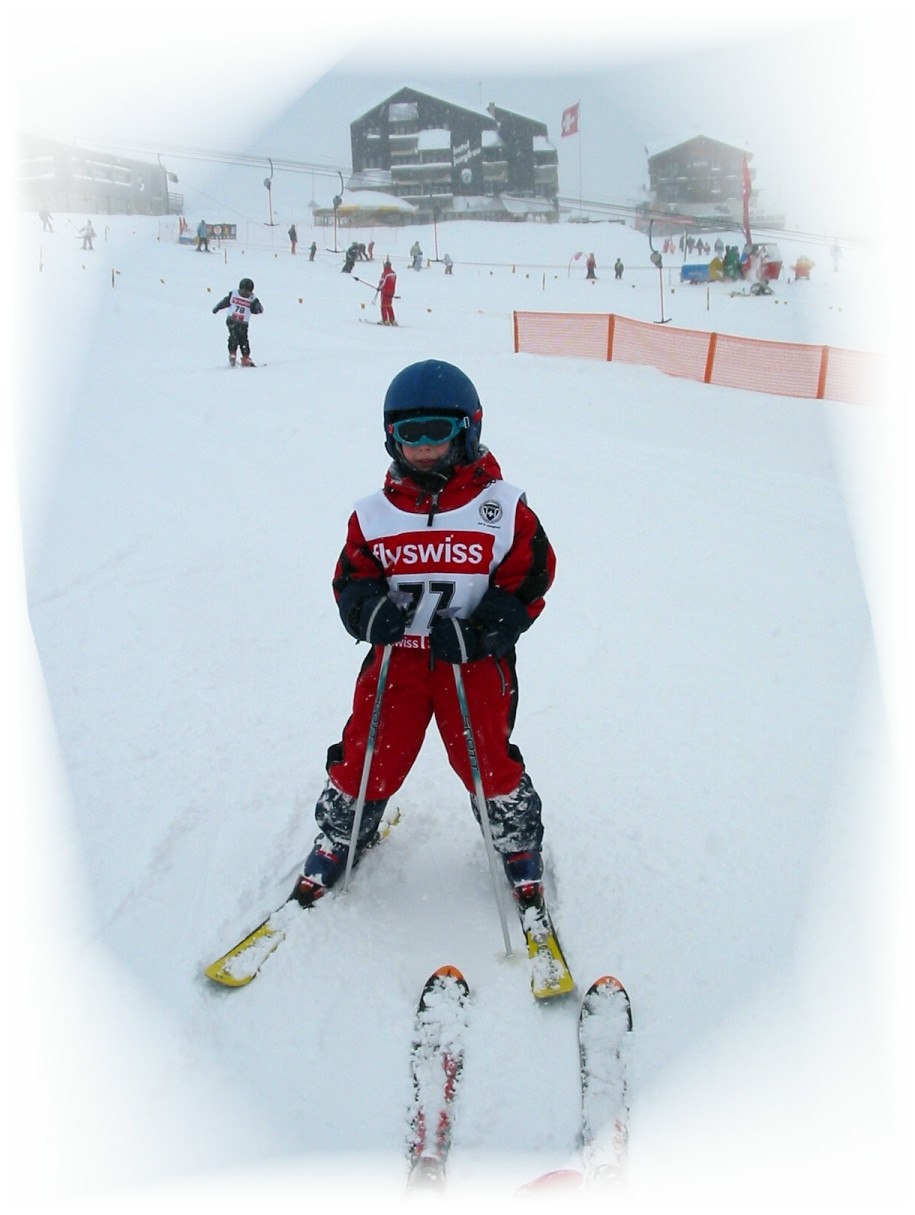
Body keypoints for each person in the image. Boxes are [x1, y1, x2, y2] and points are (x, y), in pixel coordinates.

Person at [288, 359, 556, 934]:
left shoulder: (503, 509)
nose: (425, 447)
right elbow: (352, 578)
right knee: (371, 749)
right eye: (411, 435)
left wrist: (484, 629)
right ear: (392, 437)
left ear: (468, 430)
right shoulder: (374, 515)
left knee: (485, 756)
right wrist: (368, 610)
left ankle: (515, 841)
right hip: (398, 662)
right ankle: (342, 833)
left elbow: (528, 578)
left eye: (438, 432)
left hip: (472, 663)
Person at [212, 277, 264, 366]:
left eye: (247, 292)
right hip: (232, 320)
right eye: (243, 291)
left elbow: (259, 309)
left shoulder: (252, 299)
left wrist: (256, 307)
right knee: (234, 336)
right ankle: (232, 353)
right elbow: (225, 302)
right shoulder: (234, 294)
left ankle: (245, 357)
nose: (245, 294)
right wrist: (217, 308)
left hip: (243, 323)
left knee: (243, 339)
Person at [377, 259, 397, 326]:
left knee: (383, 305)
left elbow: (382, 282)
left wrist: (379, 288)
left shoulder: (385, 273)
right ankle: (392, 319)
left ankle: (385, 320)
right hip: (392, 292)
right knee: (389, 305)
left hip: (385, 291)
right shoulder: (393, 273)